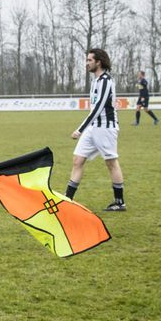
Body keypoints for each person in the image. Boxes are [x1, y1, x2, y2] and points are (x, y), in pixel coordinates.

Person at [65, 48, 124, 211]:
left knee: (111, 163)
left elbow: (98, 107)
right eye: (87, 60)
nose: (87, 63)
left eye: (90, 60)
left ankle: (120, 202)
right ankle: (67, 200)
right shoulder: (95, 81)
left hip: (105, 128)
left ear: (98, 62)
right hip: (93, 127)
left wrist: (80, 129)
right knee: (77, 160)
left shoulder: (106, 80)